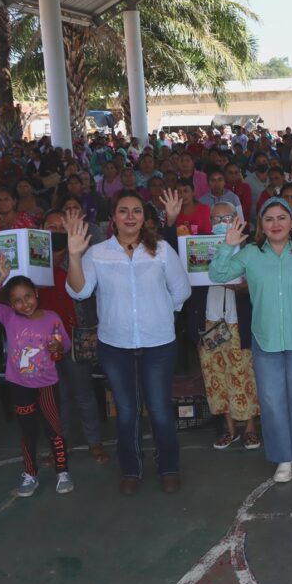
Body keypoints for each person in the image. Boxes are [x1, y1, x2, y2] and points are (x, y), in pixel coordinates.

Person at [66, 190, 192, 495]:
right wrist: (74, 255)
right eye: (123, 211)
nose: (130, 216)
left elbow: (181, 291)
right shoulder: (97, 253)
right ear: (113, 218)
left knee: (160, 409)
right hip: (115, 345)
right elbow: (79, 292)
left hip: (158, 344)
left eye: (136, 211)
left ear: (144, 218)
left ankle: (168, 466)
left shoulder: (161, 250)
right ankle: (131, 469)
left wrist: (160, 314)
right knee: (127, 410)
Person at [210, 198, 292, 483]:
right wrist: (227, 245)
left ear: (291, 223)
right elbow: (218, 274)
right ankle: (283, 458)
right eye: (269, 219)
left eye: (281, 218)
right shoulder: (251, 253)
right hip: (266, 341)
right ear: (261, 225)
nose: (276, 224)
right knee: (272, 402)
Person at [0, 255, 74, 497]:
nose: (25, 304)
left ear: (36, 293)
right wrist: (0, 279)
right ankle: (30, 474)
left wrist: (59, 349)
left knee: (54, 429)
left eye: (28, 297)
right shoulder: (9, 318)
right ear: (11, 305)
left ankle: (62, 471)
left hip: (47, 386)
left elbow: (64, 345)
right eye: (18, 301)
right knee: (28, 432)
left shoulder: (52, 317)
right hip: (19, 386)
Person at [37, 209, 109, 465]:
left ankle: (94, 443)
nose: (55, 229)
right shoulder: (32, 262)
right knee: (57, 396)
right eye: (50, 225)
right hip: (43, 340)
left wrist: (71, 251)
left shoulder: (79, 255)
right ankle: (60, 445)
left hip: (76, 335)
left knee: (83, 392)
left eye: (61, 225)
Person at [201, 203, 261, 451]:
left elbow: (260, 283)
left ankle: (249, 428)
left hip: (239, 319)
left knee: (244, 373)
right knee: (216, 374)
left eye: (227, 217)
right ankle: (229, 428)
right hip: (211, 319)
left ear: (238, 219)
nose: (222, 221)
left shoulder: (251, 248)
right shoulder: (200, 245)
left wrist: (245, 286)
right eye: (216, 217)